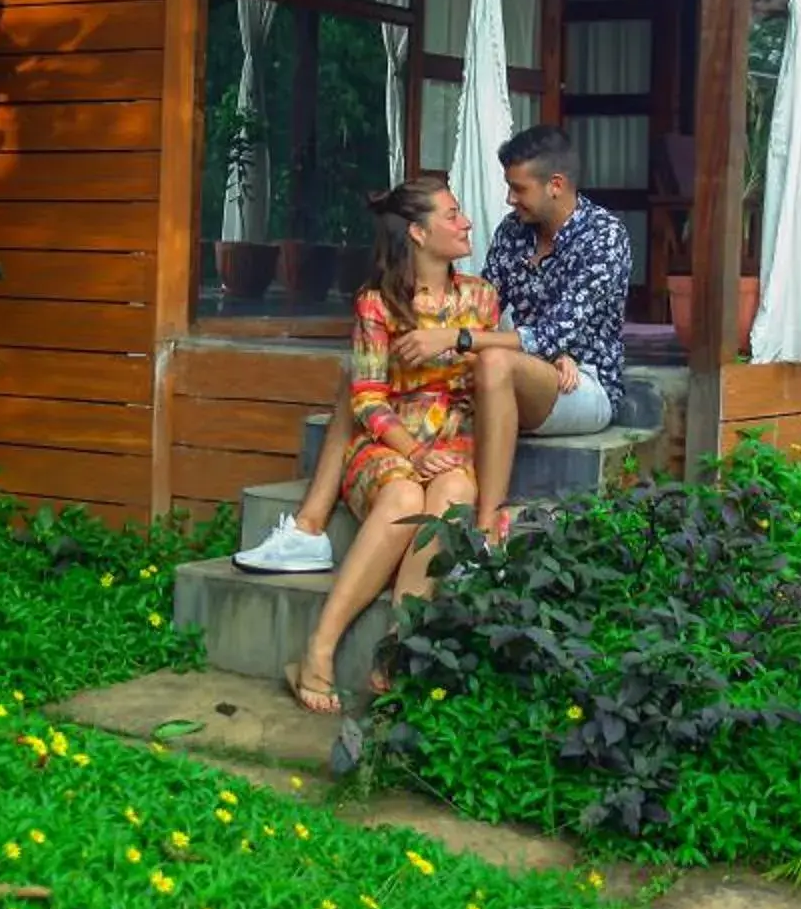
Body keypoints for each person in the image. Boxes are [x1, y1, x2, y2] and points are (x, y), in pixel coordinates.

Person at [240, 125, 631, 570]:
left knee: (494, 362)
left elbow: (547, 332)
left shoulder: (604, 236)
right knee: (362, 377)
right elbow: (484, 304)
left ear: (555, 185)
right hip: (519, 369)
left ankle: (486, 530)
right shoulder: (514, 231)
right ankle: (307, 529)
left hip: (579, 384)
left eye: (518, 188)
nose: (509, 199)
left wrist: (459, 339)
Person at [284, 178, 498, 717]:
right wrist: (413, 452)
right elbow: (367, 398)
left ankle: (398, 650)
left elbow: (487, 377)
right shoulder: (376, 303)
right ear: (419, 234)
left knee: (452, 493)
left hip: (454, 438)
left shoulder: (480, 297)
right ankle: (319, 648)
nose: (466, 222)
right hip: (386, 441)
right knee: (403, 497)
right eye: (452, 215)